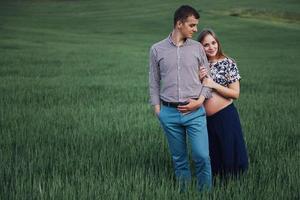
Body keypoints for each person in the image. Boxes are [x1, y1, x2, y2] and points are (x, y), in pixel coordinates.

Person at [149, 5, 212, 192]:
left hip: (195, 111)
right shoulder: (156, 49)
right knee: (179, 159)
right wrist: (158, 109)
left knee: (202, 156)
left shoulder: (198, 48)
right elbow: (153, 80)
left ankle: (205, 194)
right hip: (169, 113)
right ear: (179, 23)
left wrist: (200, 101)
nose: (195, 29)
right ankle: (184, 192)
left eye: (196, 25)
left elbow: (207, 79)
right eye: (192, 25)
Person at [197, 29, 249, 179]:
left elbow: (235, 93)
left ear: (218, 43)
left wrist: (213, 84)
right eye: (206, 45)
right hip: (205, 119)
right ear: (201, 47)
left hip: (226, 115)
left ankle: (234, 185)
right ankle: (216, 185)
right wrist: (198, 78)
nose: (211, 47)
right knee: (213, 154)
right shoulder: (200, 65)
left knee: (229, 152)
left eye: (213, 43)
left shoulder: (228, 63)